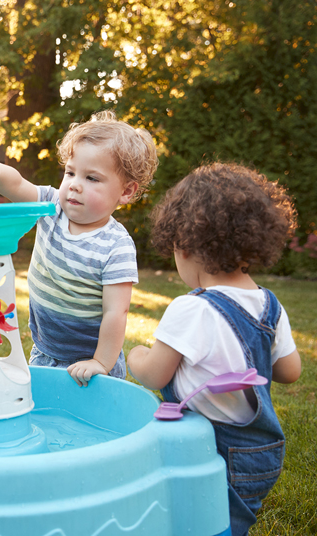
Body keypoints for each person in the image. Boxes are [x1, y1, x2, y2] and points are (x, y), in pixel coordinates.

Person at [126, 163, 301, 536]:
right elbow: (290, 372)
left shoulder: (192, 308)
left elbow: (156, 373)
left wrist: (136, 354)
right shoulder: (269, 304)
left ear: (186, 246)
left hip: (214, 450)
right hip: (262, 455)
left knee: (204, 522)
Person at [0, 110, 158, 387]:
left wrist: (101, 362)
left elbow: (115, 313)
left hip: (91, 362)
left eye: (91, 178)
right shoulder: (52, 207)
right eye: (70, 172)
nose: (74, 185)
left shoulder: (115, 245)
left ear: (126, 192)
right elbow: (18, 186)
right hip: (45, 350)